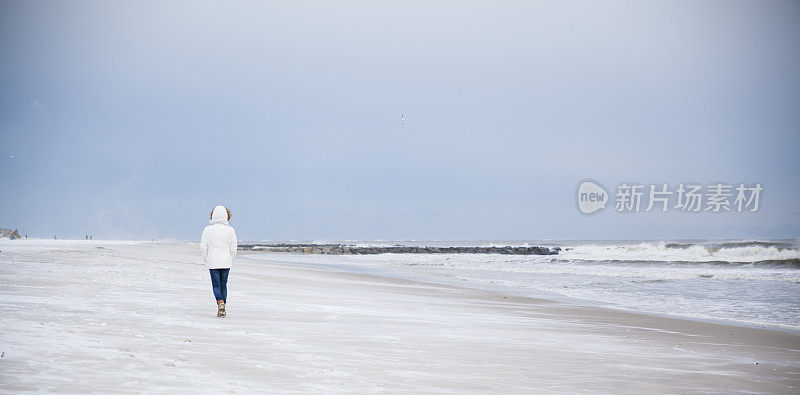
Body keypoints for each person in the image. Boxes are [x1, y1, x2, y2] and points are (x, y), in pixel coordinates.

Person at [201, 205, 238, 317]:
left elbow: (203, 247)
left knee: (216, 285)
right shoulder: (230, 230)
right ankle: (223, 307)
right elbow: (233, 247)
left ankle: (220, 302)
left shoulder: (207, 230)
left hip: (212, 261)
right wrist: (231, 259)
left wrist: (206, 259)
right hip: (226, 261)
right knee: (224, 285)